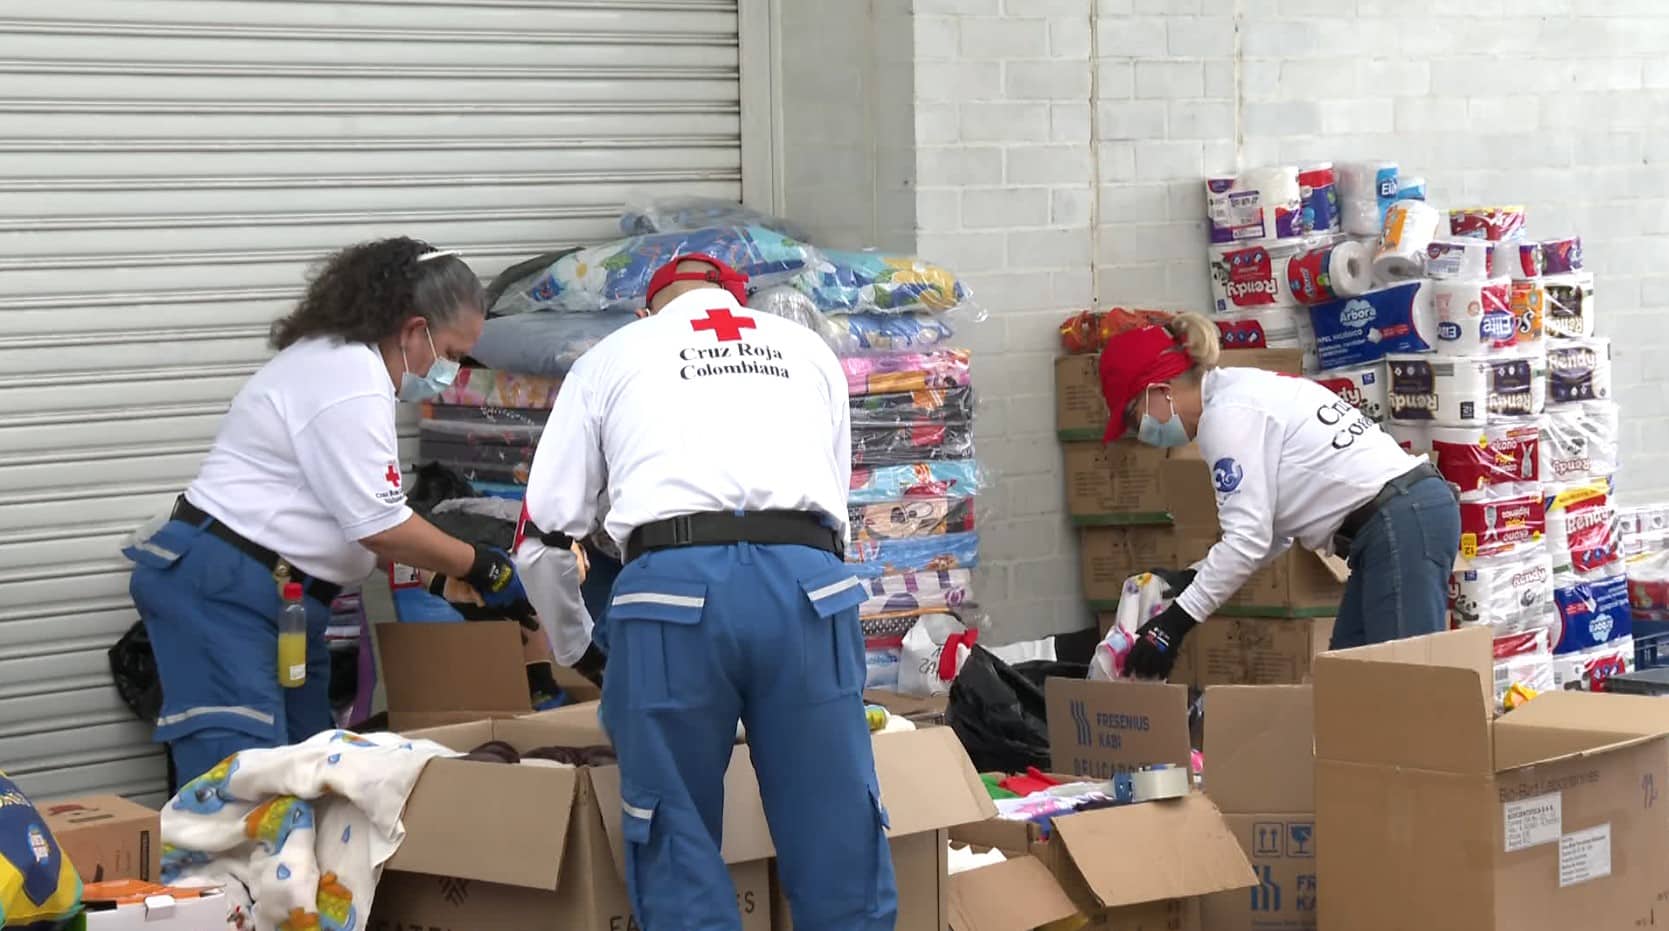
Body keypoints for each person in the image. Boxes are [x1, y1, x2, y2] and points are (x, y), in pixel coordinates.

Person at [514, 255, 895, 931]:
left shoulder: (612, 355)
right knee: (836, 818)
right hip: (808, 589)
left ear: (647, 310)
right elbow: (834, 500)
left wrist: (578, 648)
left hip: (671, 597)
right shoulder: (807, 349)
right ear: (738, 302)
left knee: (673, 827)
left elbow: (543, 537)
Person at [122, 237, 535, 788]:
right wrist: (480, 565)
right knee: (239, 786)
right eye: (454, 355)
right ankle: (220, 878)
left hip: (281, 595)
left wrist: (445, 575)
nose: (453, 372)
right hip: (224, 588)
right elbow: (381, 526)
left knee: (306, 768)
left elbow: (363, 513)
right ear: (414, 330)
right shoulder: (348, 378)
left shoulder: (343, 367)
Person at [1097, 313, 1460, 679]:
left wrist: (1173, 625)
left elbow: (1247, 540)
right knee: (1349, 685)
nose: (1137, 432)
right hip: (1400, 518)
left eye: (1133, 417)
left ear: (1159, 391)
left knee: (1402, 688)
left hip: (1400, 522)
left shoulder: (1226, 418)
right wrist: (1192, 578)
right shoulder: (1236, 393)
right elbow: (1271, 532)